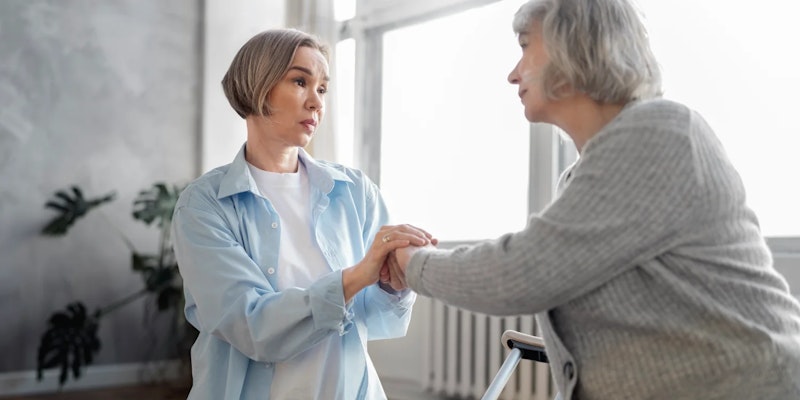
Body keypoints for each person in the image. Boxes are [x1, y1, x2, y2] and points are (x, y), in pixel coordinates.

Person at [388, 0, 800, 399]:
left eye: (525, 47)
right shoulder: (582, 175)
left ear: (575, 46)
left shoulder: (660, 132)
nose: (513, 75)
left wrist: (411, 263)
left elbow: (523, 271)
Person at [172, 28, 435, 400]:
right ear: (258, 87)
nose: (317, 103)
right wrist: (357, 275)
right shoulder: (204, 205)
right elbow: (251, 326)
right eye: (300, 81)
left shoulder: (356, 192)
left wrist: (394, 285)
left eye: (323, 89)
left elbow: (377, 318)